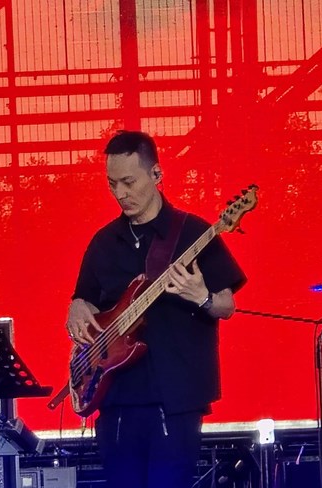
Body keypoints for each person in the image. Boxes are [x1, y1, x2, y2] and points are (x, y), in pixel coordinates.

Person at [65, 130, 247, 488]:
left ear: (157, 174)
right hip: (115, 395)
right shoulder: (104, 242)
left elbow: (227, 306)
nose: (120, 193)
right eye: (112, 184)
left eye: (129, 182)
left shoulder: (194, 233)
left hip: (175, 396)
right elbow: (84, 299)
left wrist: (202, 296)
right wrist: (75, 307)